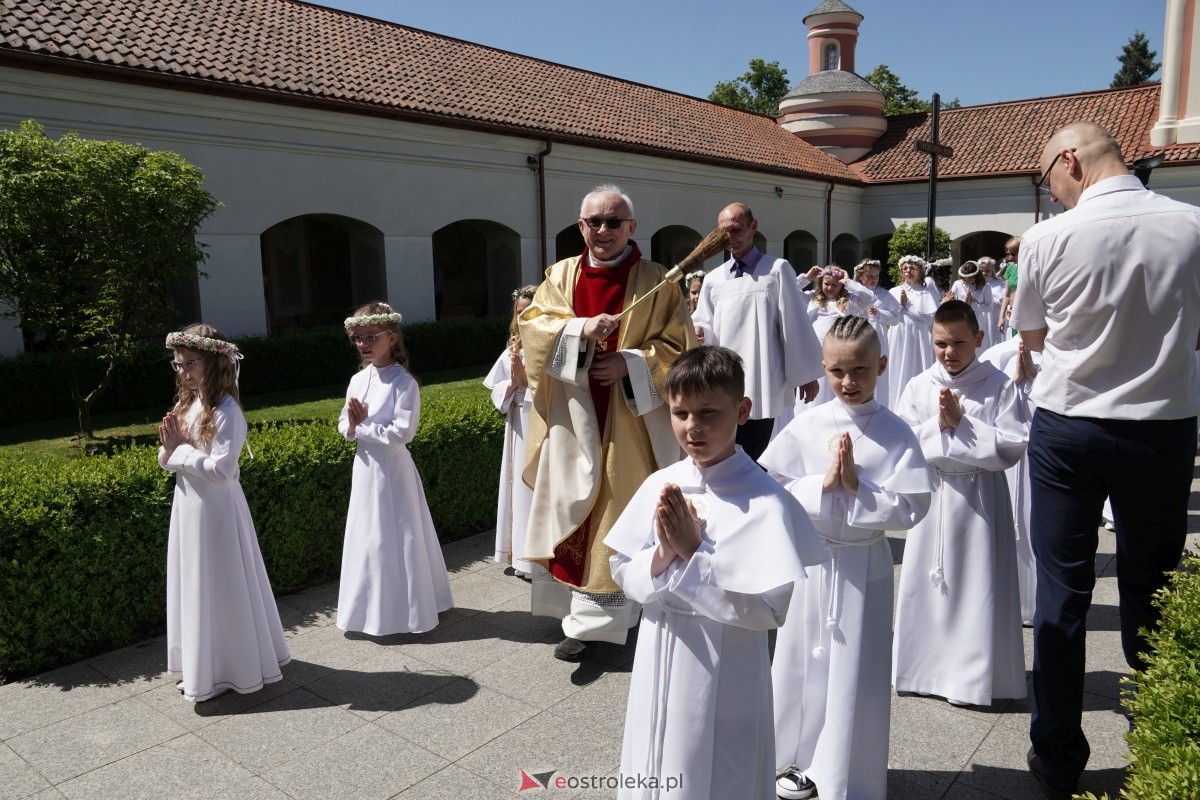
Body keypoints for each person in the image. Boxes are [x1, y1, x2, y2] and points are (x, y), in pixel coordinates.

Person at [1013, 122, 1200, 800]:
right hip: (1160, 424)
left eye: (1048, 180)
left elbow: (1031, 337)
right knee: (1153, 586)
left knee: (1062, 596)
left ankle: (1058, 755)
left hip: (1071, 425)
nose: (1051, 192)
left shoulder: (1047, 239)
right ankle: (1160, 736)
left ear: (1071, 160)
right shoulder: (1190, 224)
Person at [604, 346, 827, 800]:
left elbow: (768, 609)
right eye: (680, 412)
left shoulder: (766, 500)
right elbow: (621, 566)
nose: (692, 427)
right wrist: (662, 557)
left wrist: (693, 556)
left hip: (725, 663)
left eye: (708, 412)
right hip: (659, 646)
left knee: (717, 769)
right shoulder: (661, 483)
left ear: (742, 411)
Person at [519, 184, 696, 662]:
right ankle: (577, 616)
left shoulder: (660, 281)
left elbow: (682, 350)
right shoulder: (560, 275)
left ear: (631, 228)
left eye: (613, 222)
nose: (602, 230)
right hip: (574, 415)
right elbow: (533, 330)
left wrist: (631, 364)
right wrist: (578, 330)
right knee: (572, 509)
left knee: (619, 513)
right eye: (593, 222)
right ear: (580, 227)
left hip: (630, 420)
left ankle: (612, 617)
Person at [761, 317, 932, 800]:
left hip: (863, 566)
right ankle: (787, 760)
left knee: (854, 672)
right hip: (815, 562)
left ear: (881, 365)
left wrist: (861, 489)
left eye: (860, 370)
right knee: (800, 664)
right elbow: (773, 486)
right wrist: (824, 485)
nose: (848, 382)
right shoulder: (809, 423)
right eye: (837, 372)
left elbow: (914, 504)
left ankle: (844, 773)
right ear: (823, 368)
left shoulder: (896, 432)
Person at [892, 300, 1029, 708]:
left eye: (959, 343)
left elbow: (1014, 441)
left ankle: (973, 677)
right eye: (940, 344)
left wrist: (963, 425)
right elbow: (901, 442)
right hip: (934, 496)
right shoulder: (919, 385)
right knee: (931, 585)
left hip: (980, 497)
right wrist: (939, 425)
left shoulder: (999, 384)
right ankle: (923, 669)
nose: (949, 353)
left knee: (976, 587)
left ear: (979, 339)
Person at [159, 324, 290, 702]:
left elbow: (223, 470)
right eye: (177, 363)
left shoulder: (228, 412)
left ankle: (235, 666)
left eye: (189, 363)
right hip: (189, 507)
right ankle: (205, 664)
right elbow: (166, 457)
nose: (182, 371)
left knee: (222, 583)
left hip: (217, 512)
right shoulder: (188, 404)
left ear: (214, 362)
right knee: (195, 583)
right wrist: (172, 449)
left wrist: (181, 450)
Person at [338, 302, 453, 635]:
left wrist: (361, 427)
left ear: (390, 337)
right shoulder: (358, 380)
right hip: (366, 468)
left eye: (370, 336)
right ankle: (368, 610)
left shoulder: (404, 384)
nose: (363, 344)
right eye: (357, 338)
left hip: (392, 470)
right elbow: (343, 422)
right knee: (369, 535)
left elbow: (403, 432)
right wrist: (352, 426)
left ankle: (409, 610)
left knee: (397, 535)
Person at [691, 202, 822, 460]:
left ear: (753, 227)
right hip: (724, 377)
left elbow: (793, 322)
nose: (730, 238)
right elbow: (704, 320)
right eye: (723, 232)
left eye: (736, 230)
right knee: (723, 450)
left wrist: (805, 373)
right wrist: (699, 329)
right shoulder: (713, 279)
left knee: (754, 454)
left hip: (762, 374)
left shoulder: (776, 270)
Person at [979, 335, 1041, 626]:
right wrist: (1014, 382)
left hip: (1043, 452)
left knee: (1036, 521)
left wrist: (1034, 380)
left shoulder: (1063, 351)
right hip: (1004, 457)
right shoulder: (996, 355)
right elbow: (982, 410)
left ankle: (1038, 603)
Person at [484, 285, 538, 578]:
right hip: (517, 424)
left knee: (536, 487)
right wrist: (513, 384)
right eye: (520, 312)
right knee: (517, 486)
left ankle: (537, 560)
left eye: (530, 311)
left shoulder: (549, 348)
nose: (524, 317)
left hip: (541, 424)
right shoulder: (512, 350)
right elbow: (495, 389)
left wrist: (529, 383)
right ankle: (519, 555)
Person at [795, 265, 875, 407]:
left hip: (838, 354)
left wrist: (848, 281)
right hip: (814, 354)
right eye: (827, 284)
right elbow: (788, 291)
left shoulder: (849, 302)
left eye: (835, 285)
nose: (830, 288)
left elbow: (869, 298)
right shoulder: (811, 298)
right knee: (814, 398)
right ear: (820, 283)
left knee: (832, 391)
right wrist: (806, 278)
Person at [886, 255, 938, 407]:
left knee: (918, 367)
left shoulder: (926, 291)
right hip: (899, 336)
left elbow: (930, 319)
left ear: (920, 271)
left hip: (920, 337)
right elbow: (890, 316)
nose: (908, 271)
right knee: (898, 368)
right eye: (905, 268)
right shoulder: (894, 291)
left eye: (912, 268)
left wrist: (907, 306)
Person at [854, 259, 902, 407]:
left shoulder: (884, 295)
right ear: (860, 277)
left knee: (876, 372)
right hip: (857, 336)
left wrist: (879, 313)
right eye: (869, 276)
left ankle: (877, 404)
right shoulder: (853, 293)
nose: (873, 279)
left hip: (878, 338)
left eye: (876, 276)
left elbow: (896, 318)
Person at [976, 257, 1007, 349]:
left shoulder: (1000, 283)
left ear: (992, 270)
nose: (985, 273)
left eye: (988, 270)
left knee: (994, 340)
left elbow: (1004, 300)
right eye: (982, 271)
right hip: (981, 316)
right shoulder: (976, 284)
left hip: (995, 316)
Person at [997, 237, 1021, 338]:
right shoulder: (1010, 268)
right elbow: (1006, 295)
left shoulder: (1030, 268)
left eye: (1013, 254)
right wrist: (1001, 317)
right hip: (1011, 311)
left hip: (1025, 312)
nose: (1010, 257)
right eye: (1009, 254)